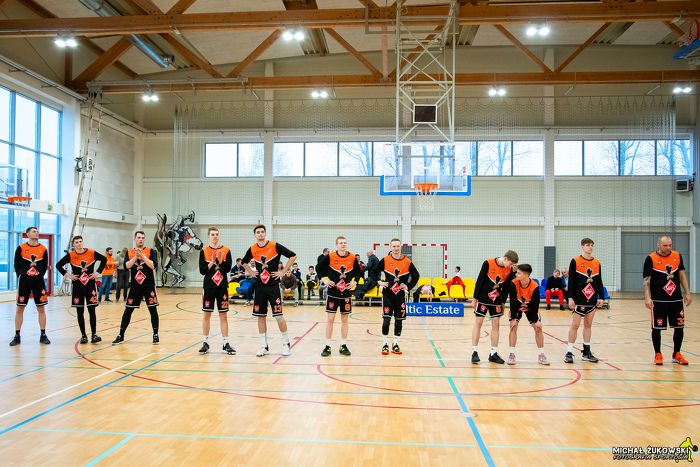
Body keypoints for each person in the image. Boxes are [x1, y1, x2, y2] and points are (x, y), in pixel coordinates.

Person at [242, 225, 297, 357]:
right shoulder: (252, 248)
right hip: (259, 287)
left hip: (273, 286)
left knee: (278, 315)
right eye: (258, 232)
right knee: (261, 316)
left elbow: (293, 256)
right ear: (254, 235)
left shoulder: (274, 246)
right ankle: (264, 346)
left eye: (262, 231)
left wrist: (282, 272)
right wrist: (251, 272)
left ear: (265, 234)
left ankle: (286, 343)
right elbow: (244, 262)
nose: (260, 234)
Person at [644, 236, 692, 365]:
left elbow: (681, 275)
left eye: (670, 245)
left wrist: (687, 292)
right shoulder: (651, 258)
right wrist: (647, 297)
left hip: (676, 298)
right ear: (658, 245)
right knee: (657, 328)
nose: (668, 248)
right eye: (665, 245)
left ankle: (677, 353)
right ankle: (658, 354)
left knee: (679, 326)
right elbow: (647, 279)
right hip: (658, 299)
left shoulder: (677, 256)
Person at [112, 231, 160, 345]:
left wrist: (142, 255)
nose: (141, 239)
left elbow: (153, 266)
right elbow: (126, 266)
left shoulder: (151, 251)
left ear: (144, 239)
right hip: (135, 285)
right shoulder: (129, 252)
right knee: (128, 310)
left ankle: (155, 334)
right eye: (138, 237)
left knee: (153, 309)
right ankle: (121, 335)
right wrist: (135, 256)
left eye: (142, 238)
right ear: (134, 239)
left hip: (148, 285)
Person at [56, 236, 107, 344]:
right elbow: (58, 265)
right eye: (77, 242)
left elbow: (104, 259)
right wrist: (68, 275)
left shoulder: (91, 253)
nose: (79, 243)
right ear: (73, 244)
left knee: (92, 310)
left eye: (80, 241)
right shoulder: (71, 255)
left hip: (90, 286)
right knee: (80, 311)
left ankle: (94, 335)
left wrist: (97, 272)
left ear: (83, 242)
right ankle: (83, 335)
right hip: (77, 286)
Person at [471, 250, 519, 364]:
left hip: (496, 299)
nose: (511, 266)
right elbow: (480, 280)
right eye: (510, 264)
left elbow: (506, 287)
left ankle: (493, 353)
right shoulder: (488, 263)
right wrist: (475, 298)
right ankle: (474, 352)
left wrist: (503, 302)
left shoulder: (509, 269)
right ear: (505, 259)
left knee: (496, 324)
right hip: (483, 297)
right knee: (478, 323)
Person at [317, 236, 362, 357]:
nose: (343, 244)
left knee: (345, 319)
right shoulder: (330, 256)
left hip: (346, 293)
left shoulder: (352, 257)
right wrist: (324, 280)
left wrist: (355, 281)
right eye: (340, 243)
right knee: (330, 319)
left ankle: (343, 345)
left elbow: (358, 271)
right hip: (333, 293)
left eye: (344, 243)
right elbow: (318, 268)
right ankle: (327, 346)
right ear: (336, 245)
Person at [374, 238, 420, 355]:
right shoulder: (385, 260)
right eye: (393, 246)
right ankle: (385, 344)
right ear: (390, 247)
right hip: (387, 295)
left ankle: (395, 344)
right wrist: (379, 282)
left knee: (399, 321)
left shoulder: (407, 261)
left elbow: (416, 275)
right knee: (386, 320)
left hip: (400, 296)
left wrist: (408, 286)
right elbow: (373, 272)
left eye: (398, 246)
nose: (396, 248)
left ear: (401, 247)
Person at [565, 238, 605, 364]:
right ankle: (569, 352)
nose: (590, 247)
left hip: (591, 299)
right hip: (578, 298)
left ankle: (586, 352)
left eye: (592, 245)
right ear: (582, 247)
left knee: (588, 325)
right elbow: (571, 281)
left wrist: (601, 297)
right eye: (588, 245)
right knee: (575, 325)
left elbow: (599, 281)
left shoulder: (597, 262)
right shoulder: (575, 261)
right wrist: (570, 298)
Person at [10, 227, 50, 346]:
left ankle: (43, 335)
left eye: (37, 232)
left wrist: (38, 275)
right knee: (20, 308)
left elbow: (44, 265)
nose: (36, 233)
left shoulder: (43, 249)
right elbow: (16, 265)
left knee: (41, 308)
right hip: (24, 280)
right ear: (28, 234)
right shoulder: (21, 248)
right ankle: (17, 335)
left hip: (38, 281)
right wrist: (22, 275)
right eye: (34, 232)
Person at [198, 227, 235, 355]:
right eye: (213, 234)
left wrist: (220, 260)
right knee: (206, 314)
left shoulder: (226, 250)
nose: (215, 236)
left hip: (222, 287)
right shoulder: (204, 251)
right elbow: (202, 270)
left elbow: (228, 268)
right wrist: (212, 262)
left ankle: (225, 343)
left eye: (217, 234)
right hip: (209, 287)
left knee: (223, 315)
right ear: (208, 236)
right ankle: (205, 342)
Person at [507, 264, 549, 365]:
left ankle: (541, 355)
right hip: (517, 306)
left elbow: (535, 305)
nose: (516, 274)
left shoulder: (535, 286)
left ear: (526, 275)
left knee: (538, 328)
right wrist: (513, 318)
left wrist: (535, 321)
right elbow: (512, 302)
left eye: (518, 273)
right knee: (513, 326)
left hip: (530, 307)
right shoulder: (513, 283)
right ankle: (511, 354)